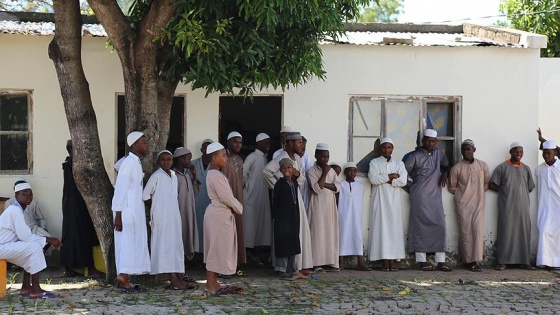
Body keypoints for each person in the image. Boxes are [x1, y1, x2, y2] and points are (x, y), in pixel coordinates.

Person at [263, 132, 314, 275]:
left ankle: (298, 267)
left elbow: (301, 178)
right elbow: (266, 172)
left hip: (296, 197)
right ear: (290, 143)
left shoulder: (297, 158)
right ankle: (282, 268)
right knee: (284, 232)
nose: (301, 145)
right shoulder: (281, 157)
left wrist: (297, 175)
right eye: (299, 143)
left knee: (297, 232)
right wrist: (281, 186)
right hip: (285, 200)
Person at [0, 181, 62, 299]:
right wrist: (49, 240)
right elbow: (26, 236)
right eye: (24, 194)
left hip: (5, 246)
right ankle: (36, 290)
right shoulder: (14, 211)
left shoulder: (17, 210)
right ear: (16, 196)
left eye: (30, 194)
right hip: (2, 247)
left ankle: (26, 287)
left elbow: (24, 236)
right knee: (34, 247)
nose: (28, 196)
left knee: (30, 248)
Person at [404, 129, 452, 272]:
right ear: (423, 140)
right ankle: (421, 260)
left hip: (435, 196)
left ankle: (441, 261)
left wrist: (445, 173)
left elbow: (447, 165)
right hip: (420, 197)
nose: (430, 143)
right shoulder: (414, 156)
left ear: (435, 142)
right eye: (427, 140)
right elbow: (402, 173)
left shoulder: (439, 154)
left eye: (433, 141)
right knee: (420, 227)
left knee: (440, 226)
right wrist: (412, 188)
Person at [143, 150, 192, 290]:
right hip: (161, 218)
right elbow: (145, 195)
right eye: (163, 160)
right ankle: (172, 278)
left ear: (172, 161)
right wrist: (158, 207)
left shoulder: (173, 176)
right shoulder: (156, 176)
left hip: (173, 217)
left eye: (169, 159)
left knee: (175, 244)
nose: (166, 162)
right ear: (159, 162)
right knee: (165, 246)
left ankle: (178, 275)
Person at [203, 142, 244, 296]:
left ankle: (212, 282)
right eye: (223, 155)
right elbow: (226, 197)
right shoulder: (215, 175)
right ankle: (211, 283)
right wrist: (238, 207)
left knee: (216, 248)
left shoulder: (216, 174)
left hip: (219, 214)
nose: (226, 158)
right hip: (218, 215)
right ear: (214, 157)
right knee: (214, 248)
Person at [112, 131, 151, 291]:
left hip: (134, 211)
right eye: (143, 142)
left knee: (131, 244)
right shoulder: (128, 163)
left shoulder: (135, 162)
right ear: (135, 145)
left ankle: (124, 279)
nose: (146, 144)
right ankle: (122, 278)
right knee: (126, 245)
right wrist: (118, 215)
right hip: (126, 212)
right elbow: (120, 189)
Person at [489, 142, 535, 271]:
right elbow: (492, 184)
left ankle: (524, 261)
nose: (518, 154)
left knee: (524, 232)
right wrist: (506, 191)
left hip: (523, 208)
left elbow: (530, 187)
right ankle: (503, 261)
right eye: (516, 151)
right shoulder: (502, 167)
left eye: (521, 151)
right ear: (510, 152)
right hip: (507, 207)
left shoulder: (526, 169)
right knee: (506, 232)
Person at [60, 140, 101, 277]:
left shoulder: (69, 164)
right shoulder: (73, 165)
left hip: (73, 205)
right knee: (83, 235)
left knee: (73, 236)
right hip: (77, 206)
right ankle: (89, 268)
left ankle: (68, 268)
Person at [448, 139, 490, 272]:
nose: (466, 151)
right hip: (463, 206)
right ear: (461, 151)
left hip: (478, 204)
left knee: (477, 231)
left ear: (474, 150)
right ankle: (468, 261)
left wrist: (477, 193)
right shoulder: (457, 168)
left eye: (469, 149)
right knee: (466, 232)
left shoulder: (482, 166)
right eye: (464, 149)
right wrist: (462, 197)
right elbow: (452, 187)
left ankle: (476, 260)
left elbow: (486, 183)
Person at [368, 138, 407, 271]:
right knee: (381, 229)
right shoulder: (374, 162)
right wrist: (390, 176)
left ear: (392, 149)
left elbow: (403, 181)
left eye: (389, 147)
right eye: (384, 147)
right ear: (380, 149)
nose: (387, 150)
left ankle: (392, 263)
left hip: (394, 202)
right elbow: (373, 179)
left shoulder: (399, 163)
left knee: (393, 230)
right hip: (379, 200)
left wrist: (385, 179)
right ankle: (384, 262)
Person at [307, 143, 341, 272]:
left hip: (329, 207)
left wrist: (324, 183)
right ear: (316, 156)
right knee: (318, 232)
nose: (325, 160)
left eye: (327, 157)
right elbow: (316, 188)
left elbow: (337, 187)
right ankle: (316, 263)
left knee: (329, 232)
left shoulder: (331, 171)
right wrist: (325, 174)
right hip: (317, 206)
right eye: (322, 157)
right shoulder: (311, 171)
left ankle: (330, 262)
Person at [272, 158, 306, 280]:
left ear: (293, 170)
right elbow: (275, 203)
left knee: (293, 243)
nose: (287, 170)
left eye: (289, 167)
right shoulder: (279, 185)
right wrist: (276, 218)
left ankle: (294, 270)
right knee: (283, 243)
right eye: (284, 168)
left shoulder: (295, 183)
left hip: (293, 218)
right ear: (280, 170)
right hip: (282, 219)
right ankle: (282, 270)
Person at [243, 133, 272, 266]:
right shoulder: (252, 157)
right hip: (250, 197)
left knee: (262, 225)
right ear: (258, 143)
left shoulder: (265, 159)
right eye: (265, 143)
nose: (268, 146)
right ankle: (248, 254)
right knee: (250, 225)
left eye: (269, 143)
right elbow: (242, 174)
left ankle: (258, 253)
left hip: (262, 197)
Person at [221, 131, 246, 272]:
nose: (238, 145)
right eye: (235, 142)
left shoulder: (240, 160)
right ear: (228, 142)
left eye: (240, 142)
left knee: (238, 228)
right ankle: (225, 264)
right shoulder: (223, 159)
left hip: (238, 199)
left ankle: (237, 261)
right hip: (226, 201)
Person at [338, 162, 369, 271]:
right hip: (343, 214)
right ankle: (340, 262)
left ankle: (360, 263)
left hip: (356, 215)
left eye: (354, 171)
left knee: (357, 235)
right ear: (345, 172)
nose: (352, 173)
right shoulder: (340, 184)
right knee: (342, 235)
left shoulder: (360, 186)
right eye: (349, 170)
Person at [536, 140, 560, 270]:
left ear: (555, 153)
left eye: (549, 153)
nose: (546, 156)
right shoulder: (539, 169)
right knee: (543, 230)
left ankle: (556, 263)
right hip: (544, 206)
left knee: (557, 234)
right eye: (544, 153)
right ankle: (544, 260)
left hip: (558, 207)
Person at [172, 147, 199, 259]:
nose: (190, 162)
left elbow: (196, 192)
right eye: (188, 159)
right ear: (181, 160)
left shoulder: (187, 175)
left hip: (189, 212)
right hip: (179, 212)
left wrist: (194, 175)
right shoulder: (173, 176)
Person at [192, 138, 213, 255]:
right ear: (201, 150)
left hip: (211, 203)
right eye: (205, 148)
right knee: (197, 228)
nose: (208, 151)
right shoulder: (193, 164)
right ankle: (197, 255)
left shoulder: (217, 166)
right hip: (196, 202)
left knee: (209, 230)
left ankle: (208, 256)